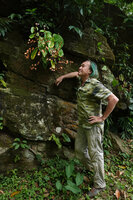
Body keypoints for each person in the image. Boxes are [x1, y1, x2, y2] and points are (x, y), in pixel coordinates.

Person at [55, 60, 119, 198]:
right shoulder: (83, 81)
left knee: (96, 153)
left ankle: (100, 184)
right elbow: (75, 74)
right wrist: (63, 77)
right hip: (83, 125)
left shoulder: (94, 84)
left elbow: (113, 99)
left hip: (93, 127)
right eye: (80, 65)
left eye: (83, 66)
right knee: (79, 150)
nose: (80, 67)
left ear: (90, 71)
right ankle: (95, 170)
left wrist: (102, 118)